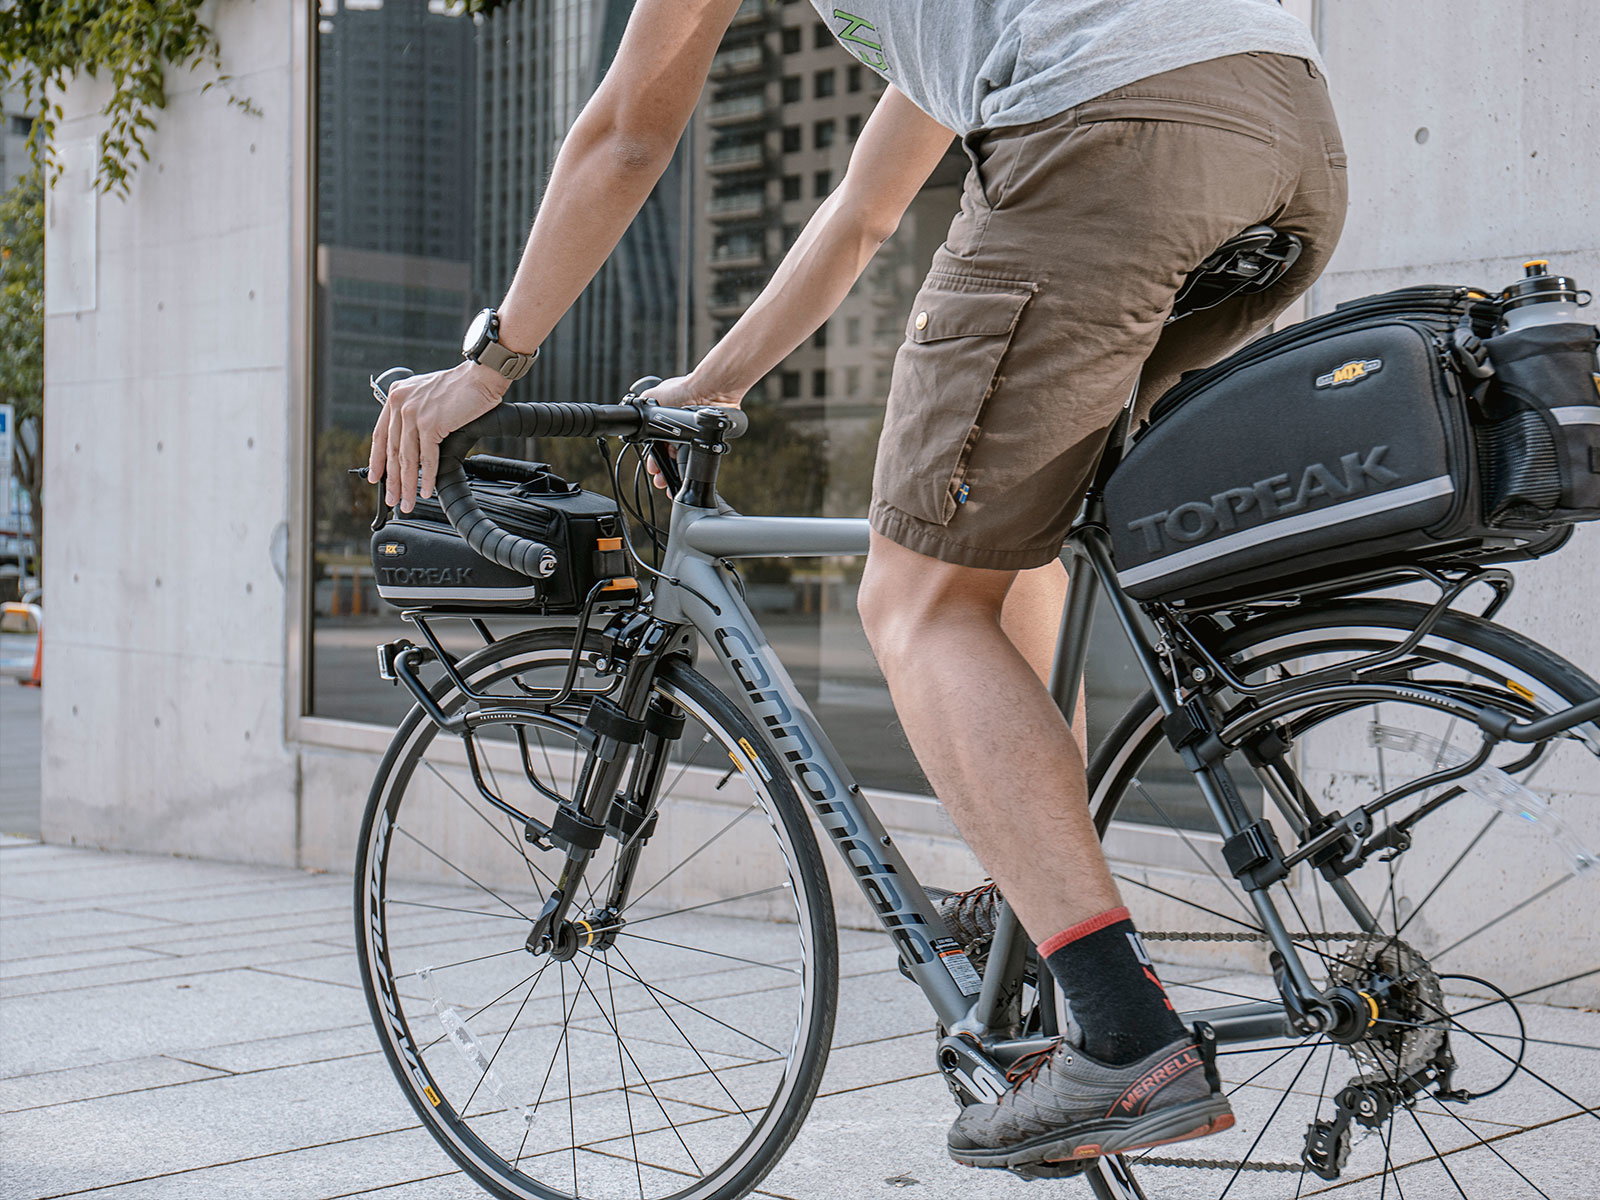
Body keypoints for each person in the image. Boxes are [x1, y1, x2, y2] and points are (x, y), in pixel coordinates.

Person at [369, 0, 1346, 1171]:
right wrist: (716, 380)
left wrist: (492, 365)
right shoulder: (962, 25)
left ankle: (1126, 1034)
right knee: (1001, 541)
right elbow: (862, 211)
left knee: (913, 600)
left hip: (1112, 130)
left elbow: (629, 129)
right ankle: (1030, 905)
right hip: (1286, 135)